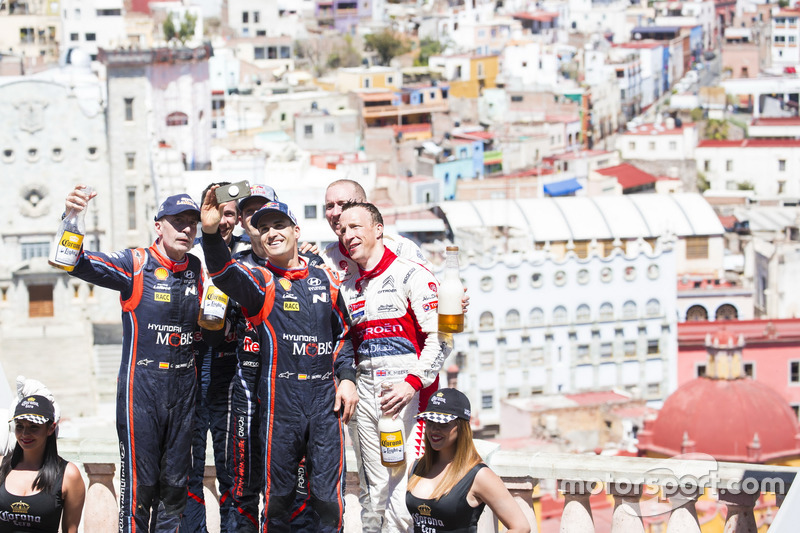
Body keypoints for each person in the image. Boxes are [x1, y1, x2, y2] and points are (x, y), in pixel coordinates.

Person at [200, 189, 358, 531]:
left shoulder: (325, 280)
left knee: (329, 502)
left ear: (296, 231)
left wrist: (347, 378)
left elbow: (343, 336)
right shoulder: (260, 281)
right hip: (279, 407)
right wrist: (210, 234)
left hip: (324, 407)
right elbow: (223, 274)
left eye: (279, 225)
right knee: (279, 502)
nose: (272, 232)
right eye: (264, 228)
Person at [62, 185, 203, 532]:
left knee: (174, 490)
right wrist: (72, 218)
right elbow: (72, 261)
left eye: (191, 223)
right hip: (141, 391)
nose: (185, 229)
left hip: (184, 390)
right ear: (159, 225)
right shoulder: (135, 263)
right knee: (141, 491)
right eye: (177, 221)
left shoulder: (200, 269)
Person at [337, 201, 445, 532]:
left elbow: (443, 339)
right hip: (368, 401)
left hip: (407, 401)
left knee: (404, 496)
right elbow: (346, 347)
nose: (348, 235)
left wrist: (412, 384)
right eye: (342, 230)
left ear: (378, 229)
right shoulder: (347, 287)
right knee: (378, 493)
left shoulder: (412, 273)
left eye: (355, 226)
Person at [183, 182, 251, 533]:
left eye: (230, 214)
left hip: (230, 371)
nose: (223, 221)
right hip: (190, 371)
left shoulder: (249, 256)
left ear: (238, 219)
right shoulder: (186, 255)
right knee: (189, 472)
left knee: (232, 470)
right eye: (217, 212)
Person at [406, 388, 531, 533]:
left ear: (461, 427)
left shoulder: (478, 475)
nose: (434, 429)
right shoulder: (416, 467)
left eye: (443, 423)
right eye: (430, 421)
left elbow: (521, 527)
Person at [0, 394, 86, 532]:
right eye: (20, 426)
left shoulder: (68, 475)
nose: (25, 433)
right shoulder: (1, 466)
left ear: (51, 428)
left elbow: (71, 529)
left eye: (33, 427)